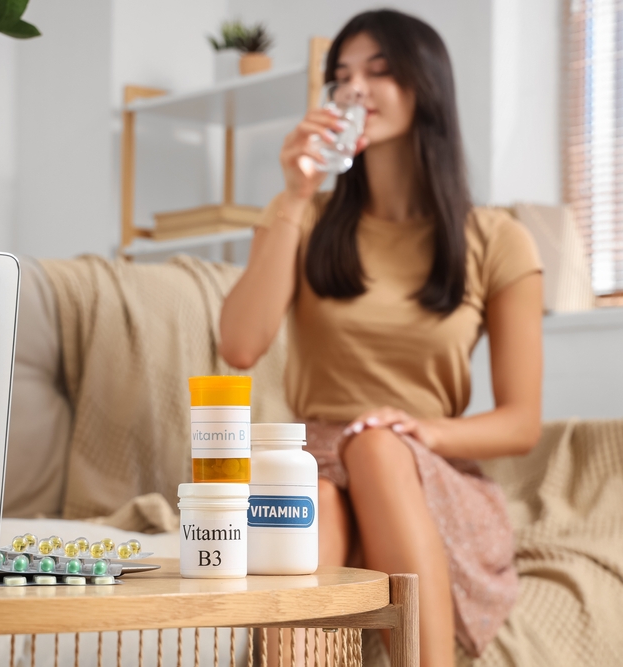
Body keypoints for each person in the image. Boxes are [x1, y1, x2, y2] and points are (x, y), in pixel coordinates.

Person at [219, 9, 543, 667]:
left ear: (426, 87)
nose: (355, 90)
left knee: (374, 447)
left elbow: (521, 422)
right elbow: (240, 346)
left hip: (427, 470)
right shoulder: (299, 217)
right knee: (307, 487)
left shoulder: (497, 240)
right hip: (314, 466)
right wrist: (295, 195)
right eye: (340, 77)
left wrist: (416, 430)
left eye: (379, 70)